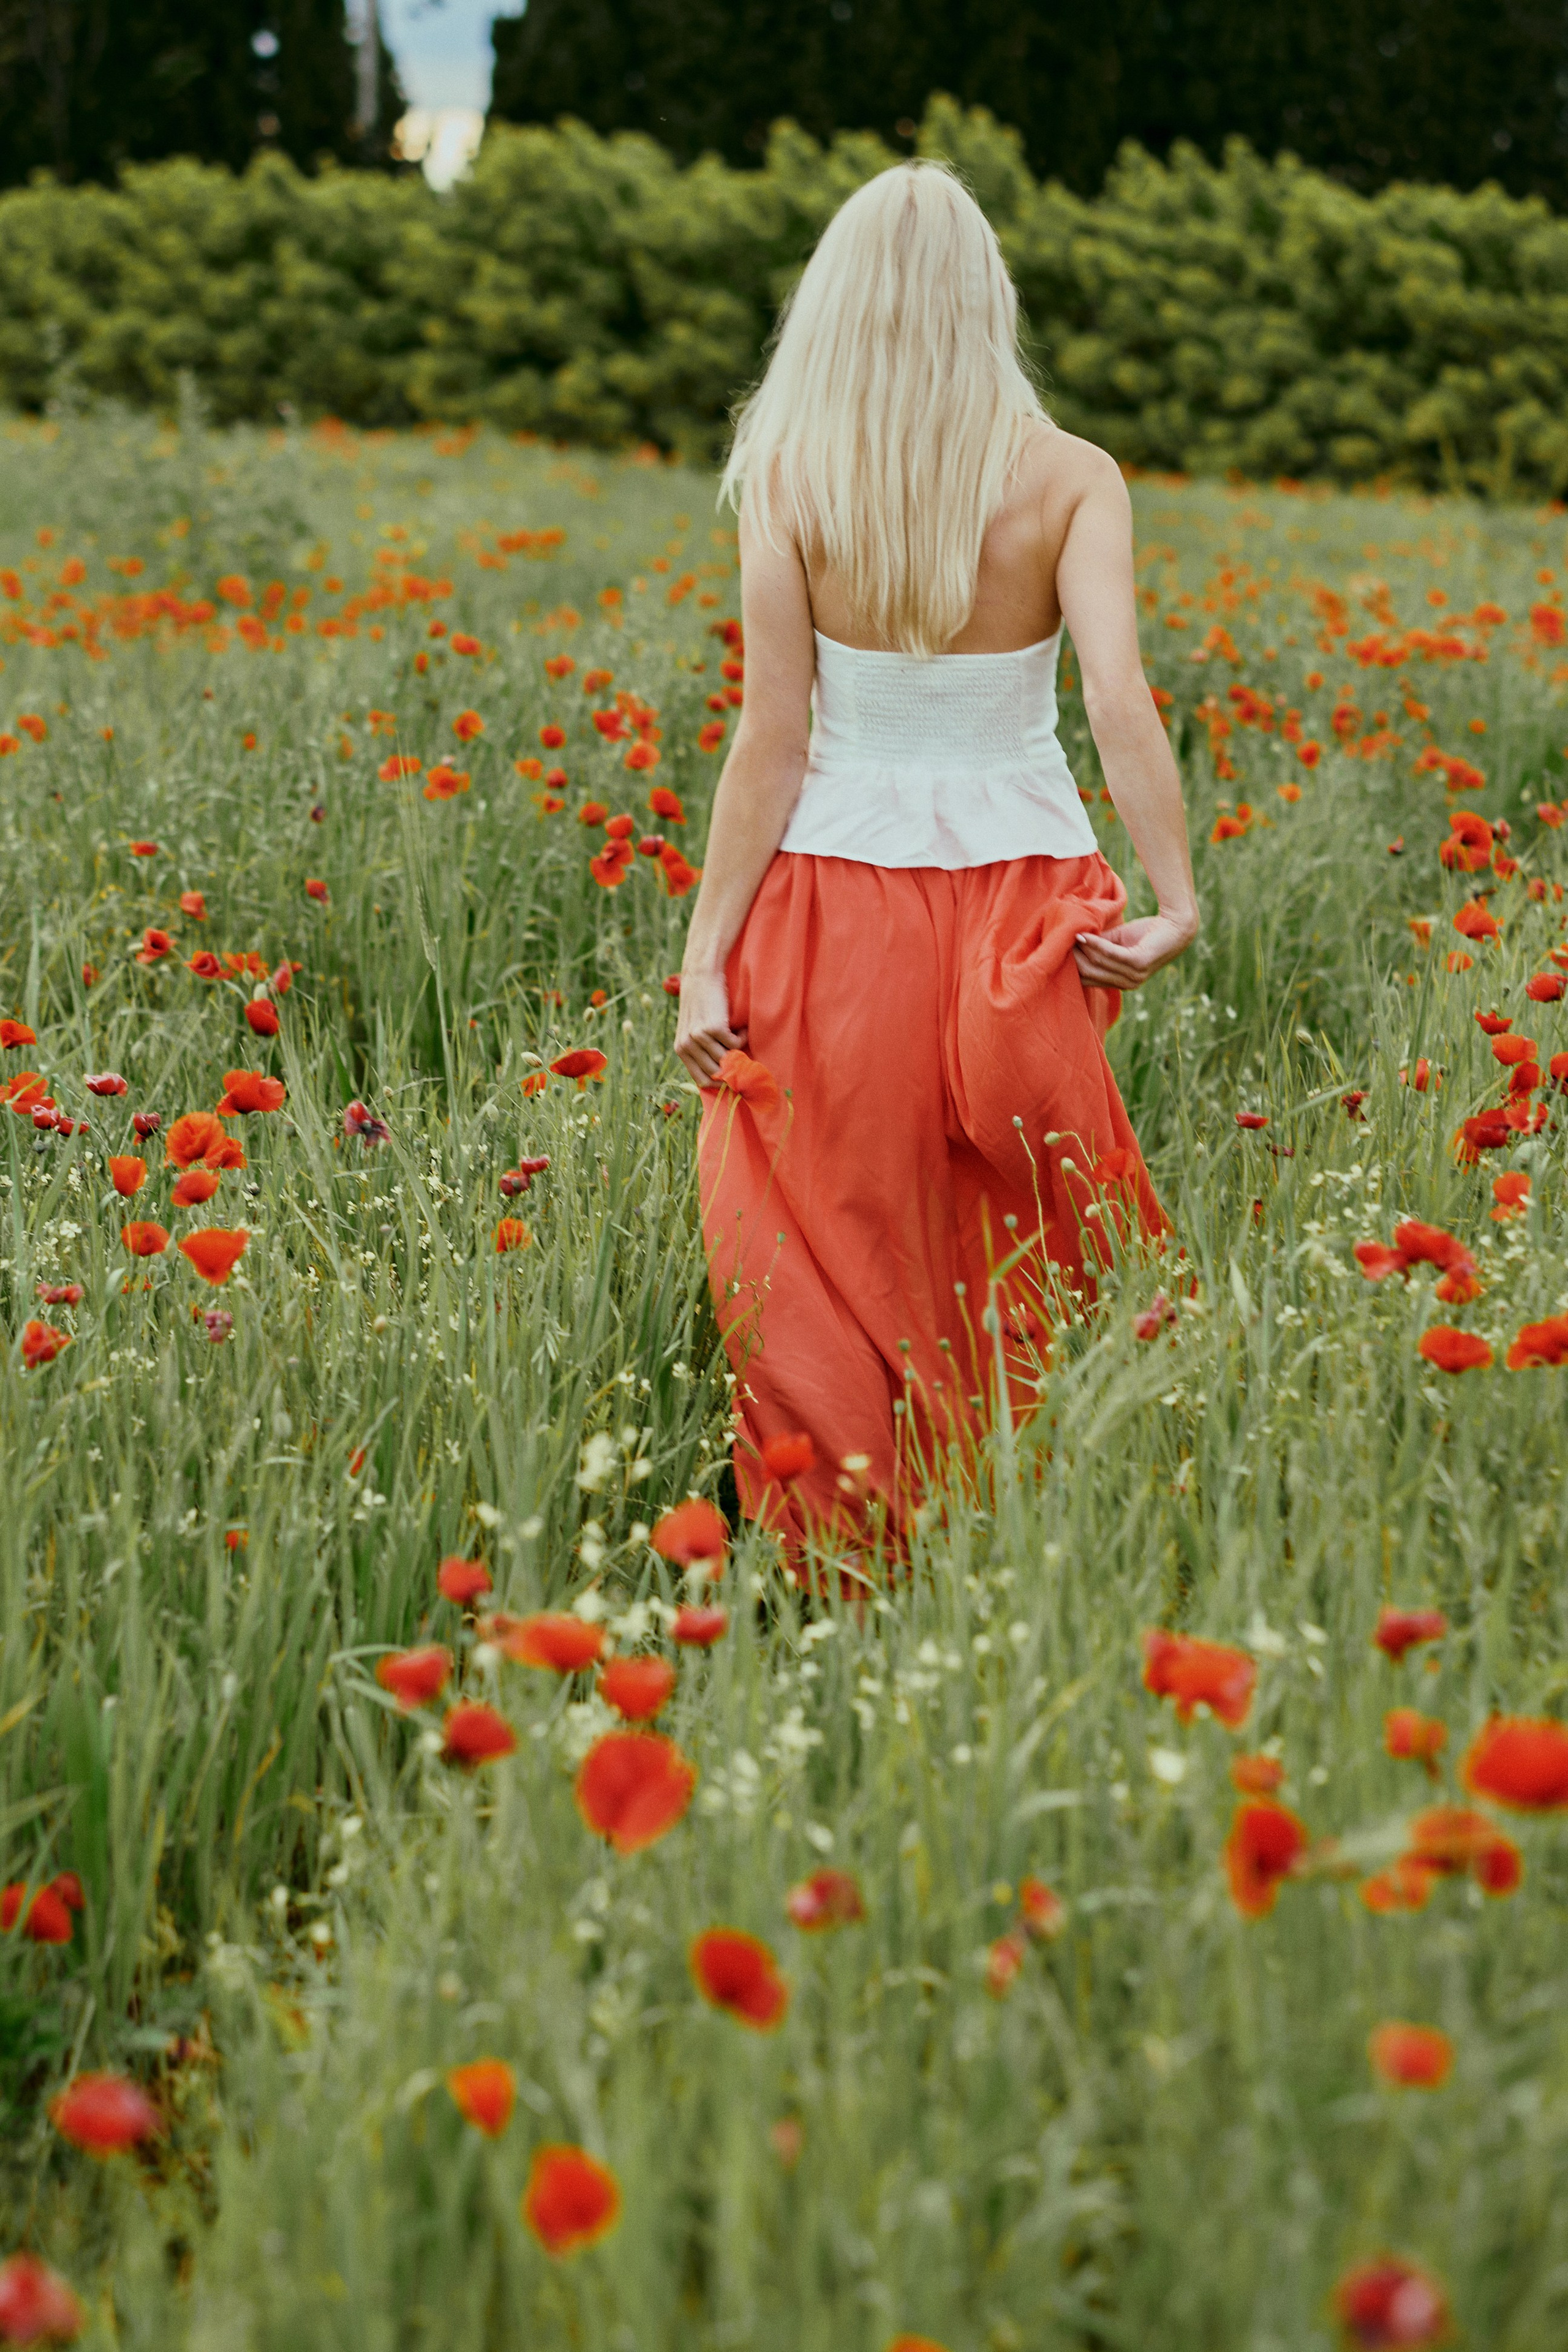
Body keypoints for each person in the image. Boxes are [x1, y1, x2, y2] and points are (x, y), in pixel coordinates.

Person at [674, 160, 1198, 1564]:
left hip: (828, 902)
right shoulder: (1070, 479)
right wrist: (1175, 896)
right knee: (1000, 1219)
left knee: (833, 1231)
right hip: (1019, 907)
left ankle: (847, 1549)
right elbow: (1114, 696)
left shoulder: (788, 479)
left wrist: (699, 955)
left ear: (832, 303)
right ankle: (1026, 1524)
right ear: (988, 299)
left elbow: (769, 739)